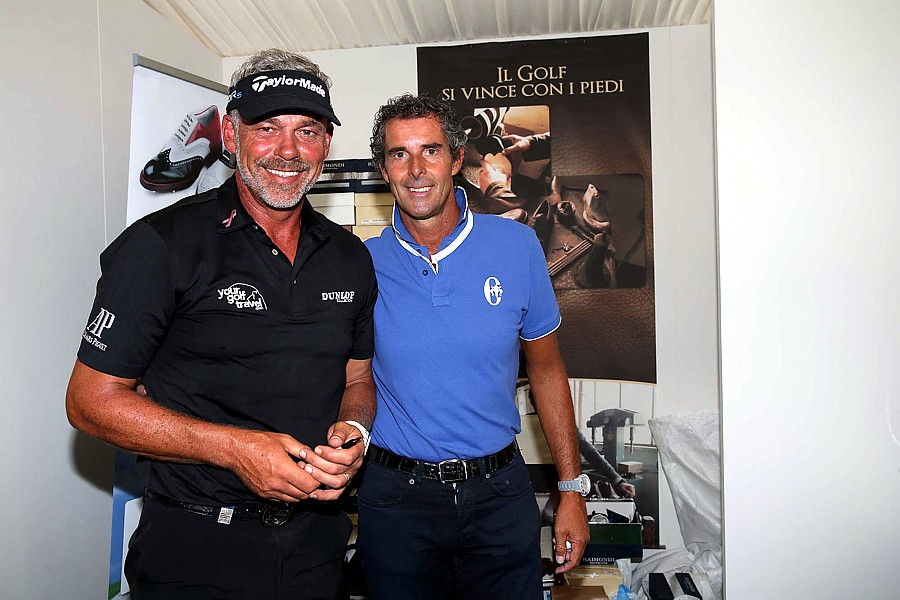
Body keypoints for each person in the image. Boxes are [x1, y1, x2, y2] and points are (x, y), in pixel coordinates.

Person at [65, 48, 377, 600]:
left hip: (317, 548)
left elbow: (358, 377)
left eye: (307, 131)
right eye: (267, 128)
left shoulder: (350, 256)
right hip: (194, 550)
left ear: (327, 144)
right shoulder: (160, 245)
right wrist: (236, 449)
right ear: (231, 136)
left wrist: (354, 431)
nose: (288, 150)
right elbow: (89, 402)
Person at [356, 93, 589, 600]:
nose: (416, 170)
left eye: (431, 150)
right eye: (399, 154)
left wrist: (571, 489)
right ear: (383, 169)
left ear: (457, 159)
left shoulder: (517, 246)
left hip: (498, 496)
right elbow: (348, 377)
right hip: (397, 502)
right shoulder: (360, 263)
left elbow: (547, 370)